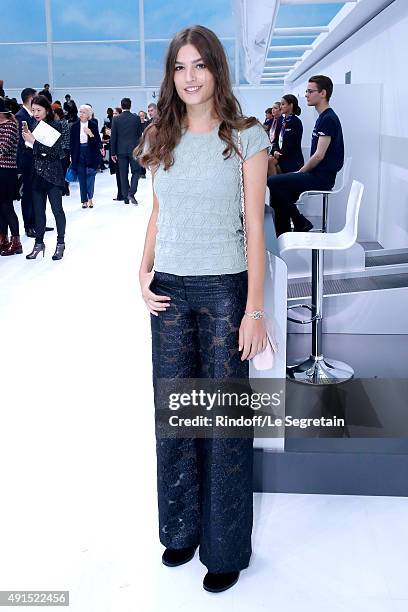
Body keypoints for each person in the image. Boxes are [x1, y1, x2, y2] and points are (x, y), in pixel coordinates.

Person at [135, 25, 270, 593]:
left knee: (220, 424)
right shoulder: (159, 137)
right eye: (179, 68)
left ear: (216, 69)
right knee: (176, 418)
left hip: (223, 291)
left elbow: (255, 231)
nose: (189, 78)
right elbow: (159, 215)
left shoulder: (245, 136)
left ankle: (225, 547)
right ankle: (183, 529)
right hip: (168, 290)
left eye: (199, 66)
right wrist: (141, 272)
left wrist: (254, 310)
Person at [267, 75, 344, 236]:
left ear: (323, 93)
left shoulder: (328, 119)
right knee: (278, 193)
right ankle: (284, 235)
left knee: (271, 182)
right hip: (315, 174)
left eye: (310, 91)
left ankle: (299, 221)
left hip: (321, 178)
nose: (307, 95)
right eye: (306, 91)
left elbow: (319, 156)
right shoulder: (322, 118)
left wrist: (301, 171)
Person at [22, 95, 66, 260]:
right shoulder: (33, 125)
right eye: (33, 110)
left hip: (53, 175)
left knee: (57, 210)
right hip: (36, 174)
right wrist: (27, 142)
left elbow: (54, 152)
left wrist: (33, 142)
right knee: (39, 212)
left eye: (38, 110)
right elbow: (33, 151)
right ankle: (39, 243)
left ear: (47, 110)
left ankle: (60, 243)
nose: (35, 113)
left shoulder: (56, 126)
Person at [69, 104, 103, 208]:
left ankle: (90, 199)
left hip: (90, 153)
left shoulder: (93, 125)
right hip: (78, 153)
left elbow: (97, 142)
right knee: (81, 177)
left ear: (88, 114)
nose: (81, 114)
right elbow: (72, 143)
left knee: (90, 176)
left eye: (84, 112)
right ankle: (84, 200)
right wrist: (71, 155)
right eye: (80, 112)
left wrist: (90, 134)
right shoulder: (74, 126)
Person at [110, 97, 143, 205]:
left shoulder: (116, 119)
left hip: (120, 150)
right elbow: (139, 135)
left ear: (121, 105)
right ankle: (131, 192)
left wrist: (113, 153)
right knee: (136, 172)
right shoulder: (136, 118)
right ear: (130, 105)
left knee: (123, 174)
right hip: (134, 149)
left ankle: (125, 197)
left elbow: (113, 137)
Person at [0, 98, 22, 256]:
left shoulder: (10, 126)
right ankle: (3, 239)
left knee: (7, 206)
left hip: (6, 171)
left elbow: (3, 148)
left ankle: (16, 242)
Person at [15, 87, 37, 237]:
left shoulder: (32, 116)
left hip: (35, 159)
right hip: (27, 160)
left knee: (37, 192)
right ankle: (28, 225)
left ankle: (37, 222)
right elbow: (20, 142)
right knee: (28, 193)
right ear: (30, 99)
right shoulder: (20, 116)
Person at [268, 94, 303, 177]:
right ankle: (275, 186)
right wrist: (275, 150)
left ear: (291, 105)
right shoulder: (282, 121)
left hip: (291, 159)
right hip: (281, 156)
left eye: (283, 104)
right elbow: (276, 140)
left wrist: (278, 153)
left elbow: (291, 144)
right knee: (267, 161)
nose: (280, 107)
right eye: (280, 104)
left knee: (269, 162)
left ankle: (275, 186)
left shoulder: (295, 122)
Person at [53, 107, 71, 196]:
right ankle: (65, 189)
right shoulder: (64, 122)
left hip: (62, 149)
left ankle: (63, 189)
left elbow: (59, 137)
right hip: (65, 149)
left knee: (61, 170)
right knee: (64, 170)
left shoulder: (60, 123)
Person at [110, 107, 123, 201]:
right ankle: (122, 193)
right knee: (119, 174)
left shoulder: (117, 123)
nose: (114, 115)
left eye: (115, 113)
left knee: (120, 174)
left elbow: (115, 138)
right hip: (118, 151)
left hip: (119, 151)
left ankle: (121, 194)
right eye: (113, 113)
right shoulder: (115, 123)